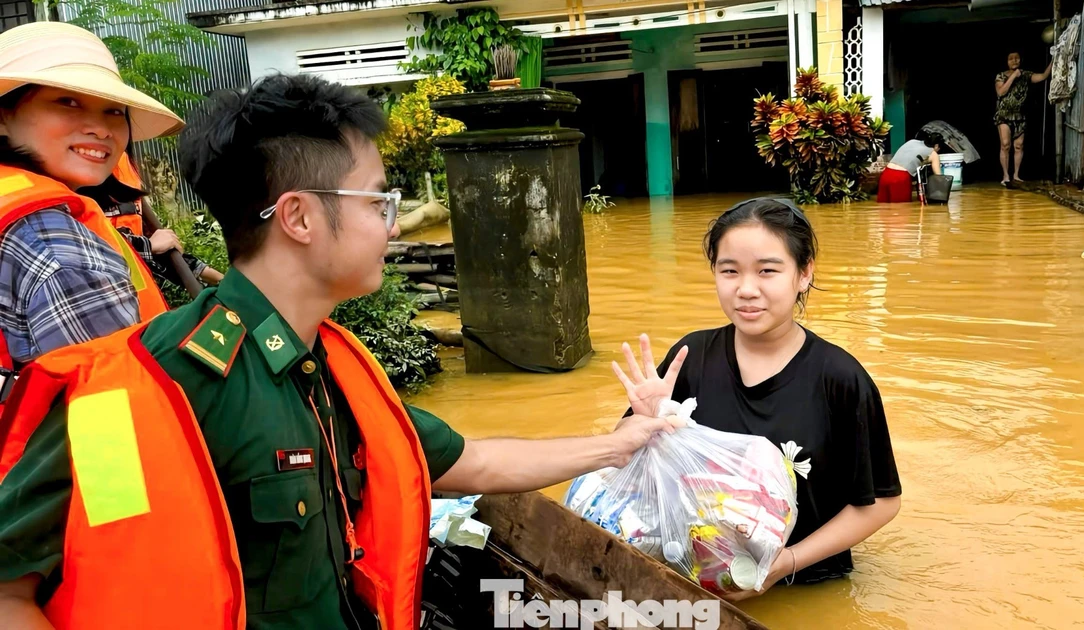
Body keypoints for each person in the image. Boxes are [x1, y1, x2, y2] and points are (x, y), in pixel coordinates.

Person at [0, 73, 680, 630]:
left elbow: (470, 461)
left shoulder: (333, 366)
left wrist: (619, 444)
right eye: (379, 201)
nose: (392, 220)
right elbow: (11, 589)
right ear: (297, 217)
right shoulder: (140, 391)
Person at [612, 197, 902, 599]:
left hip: (807, 587)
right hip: (701, 574)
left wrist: (788, 563)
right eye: (729, 271)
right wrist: (644, 422)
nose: (746, 290)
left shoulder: (839, 378)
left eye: (767, 271)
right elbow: (624, 460)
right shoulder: (691, 358)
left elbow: (881, 503)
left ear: (803, 274)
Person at [0, 22, 182, 409]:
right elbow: (117, 407)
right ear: (3, 115)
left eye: (114, 111)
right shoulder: (58, 250)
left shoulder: (16, 208)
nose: (100, 128)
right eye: (67, 102)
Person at [82, 152, 225, 288]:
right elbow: (84, 245)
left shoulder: (122, 163)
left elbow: (153, 247)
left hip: (141, 301)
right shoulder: (73, 171)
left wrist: (208, 273)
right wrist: (147, 245)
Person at [994, 51, 1051, 186]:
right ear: (1007, 61)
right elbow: (1001, 92)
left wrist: (1053, 61)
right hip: (1004, 114)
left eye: (1017, 58)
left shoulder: (1025, 75)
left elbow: (1043, 76)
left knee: (1018, 146)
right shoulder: (1000, 76)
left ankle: (1016, 175)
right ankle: (1006, 175)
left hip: (1019, 115)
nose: (1014, 61)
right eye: (1011, 59)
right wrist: (1013, 76)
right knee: (1005, 145)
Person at [877, 130, 944, 203]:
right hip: (900, 178)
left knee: (883, 209)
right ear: (937, 145)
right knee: (902, 210)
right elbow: (938, 177)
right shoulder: (934, 154)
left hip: (886, 174)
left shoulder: (912, 142)